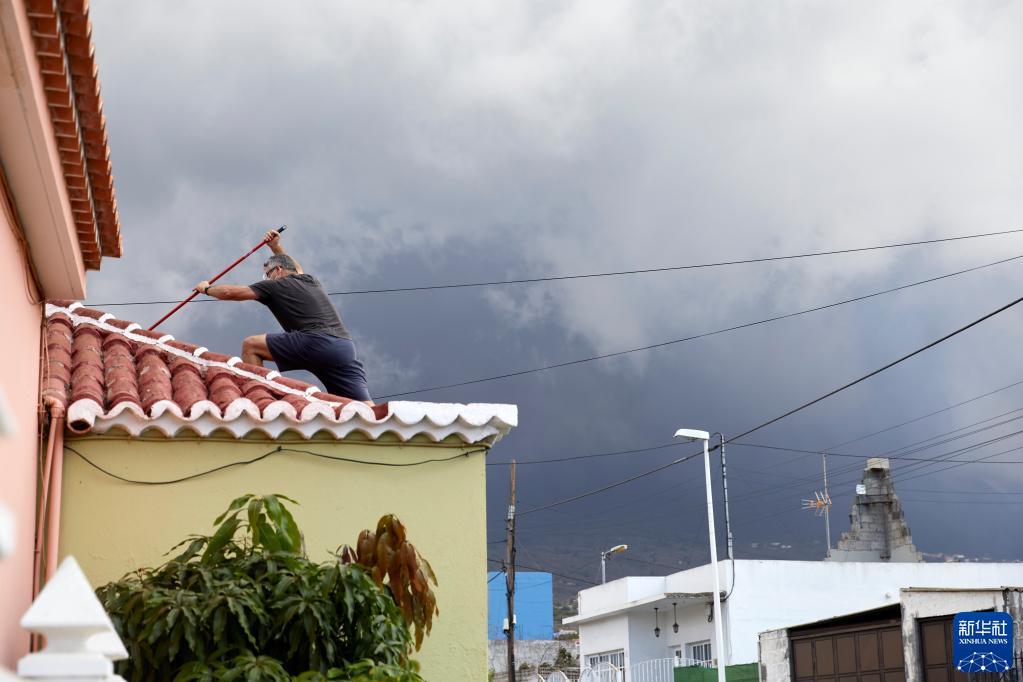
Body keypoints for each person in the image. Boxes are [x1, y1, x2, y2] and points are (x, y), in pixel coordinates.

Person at [193, 230, 373, 404]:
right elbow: (296, 267)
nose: (267, 278)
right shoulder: (309, 280)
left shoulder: (275, 285)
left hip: (316, 341)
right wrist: (275, 246)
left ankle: (261, 400)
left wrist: (206, 289)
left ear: (278, 271)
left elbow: (229, 292)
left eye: (267, 274)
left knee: (251, 345)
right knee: (363, 409)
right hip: (343, 348)